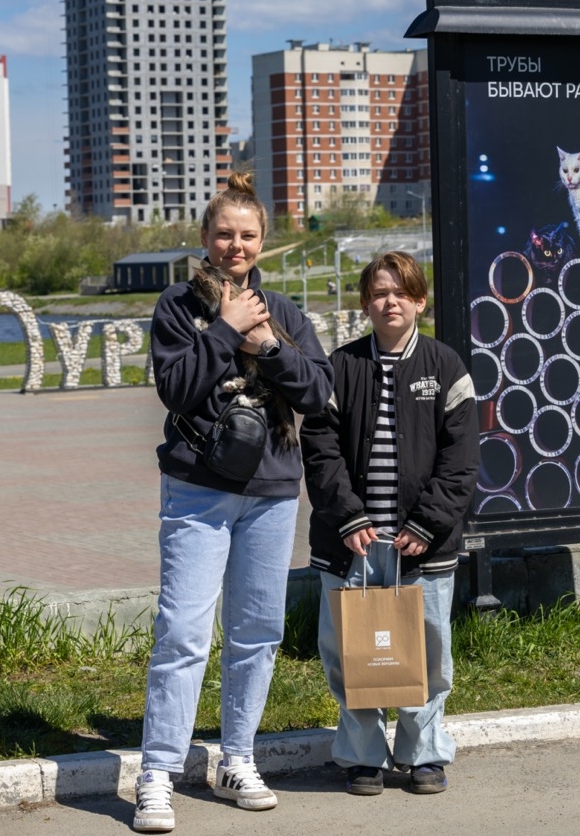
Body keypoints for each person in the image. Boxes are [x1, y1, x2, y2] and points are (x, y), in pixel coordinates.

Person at [135, 171, 333, 833]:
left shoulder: (286, 313)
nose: (235, 245)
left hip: (273, 494)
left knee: (257, 631)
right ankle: (157, 773)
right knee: (184, 632)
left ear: (262, 243)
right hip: (197, 490)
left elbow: (318, 392)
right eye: (224, 234)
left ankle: (238, 756)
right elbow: (178, 388)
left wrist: (267, 345)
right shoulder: (176, 308)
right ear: (204, 238)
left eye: (247, 235)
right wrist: (223, 328)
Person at [301, 251, 480, 798]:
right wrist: (348, 516)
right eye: (379, 293)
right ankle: (362, 757)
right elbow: (320, 449)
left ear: (420, 301)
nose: (390, 301)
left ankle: (423, 754)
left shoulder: (445, 367)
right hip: (350, 544)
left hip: (421, 547)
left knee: (426, 652)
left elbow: (461, 460)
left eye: (401, 292)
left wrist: (425, 525)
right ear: (365, 304)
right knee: (352, 654)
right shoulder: (340, 366)